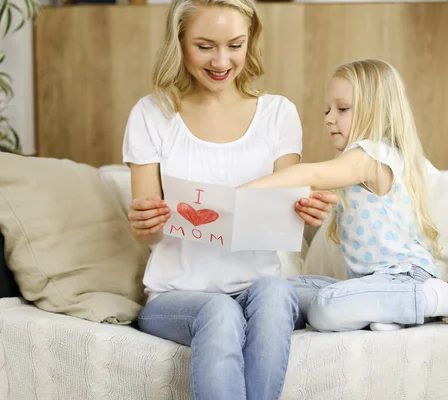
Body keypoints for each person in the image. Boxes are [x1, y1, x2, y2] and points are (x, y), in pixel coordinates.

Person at [121, 0, 337, 398]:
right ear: (179, 43)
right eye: (205, 46)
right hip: (177, 295)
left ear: (249, 41)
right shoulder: (152, 114)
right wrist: (145, 224)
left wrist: (310, 216)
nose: (222, 60)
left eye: (234, 45)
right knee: (219, 311)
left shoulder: (277, 114)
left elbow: (288, 219)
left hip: (255, 287)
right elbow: (150, 236)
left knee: (277, 290)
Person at [241, 58, 448, 333]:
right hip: (366, 283)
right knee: (276, 292)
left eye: (342, 109)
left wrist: (243, 191)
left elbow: (312, 175)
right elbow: (308, 191)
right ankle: (387, 312)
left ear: (376, 111)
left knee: (327, 309)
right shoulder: (355, 166)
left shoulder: (373, 154)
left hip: (405, 278)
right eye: (327, 109)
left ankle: (435, 299)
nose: (328, 118)